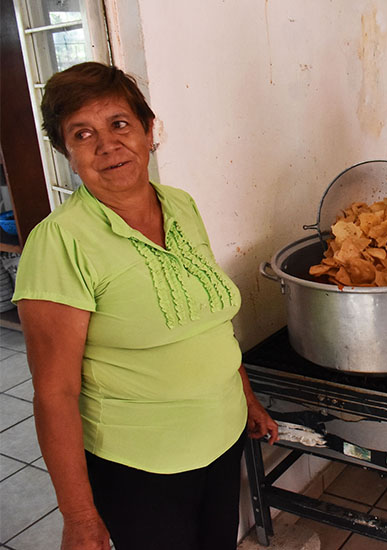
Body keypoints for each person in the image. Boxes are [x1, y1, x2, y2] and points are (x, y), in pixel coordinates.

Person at [11, 62, 279, 550]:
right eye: (82, 133)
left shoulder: (179, 204)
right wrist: (79, 517)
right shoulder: (59, 244)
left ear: (148, 131)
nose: (107, 145)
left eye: (119, 124)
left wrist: (246, 399)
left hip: (221, 441)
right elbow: (54, 394)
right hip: (140, 467)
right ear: (66, 152)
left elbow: (209, 320)